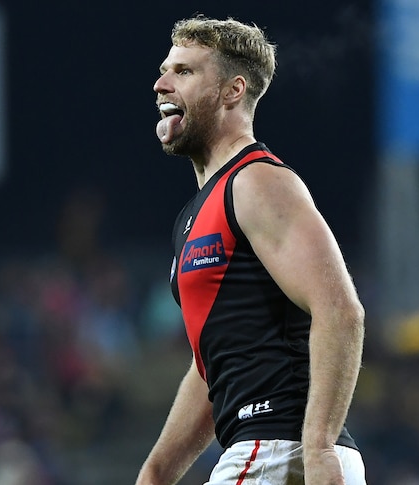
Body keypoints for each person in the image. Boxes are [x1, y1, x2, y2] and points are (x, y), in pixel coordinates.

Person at [136, 15, 367, 485]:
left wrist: (319, 446)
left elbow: (339, 309)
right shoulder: (197, 212)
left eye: (184, 71)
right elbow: (213, 368)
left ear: (232, 91)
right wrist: (158, 470)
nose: (161, 84)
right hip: (270, 451)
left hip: (281, 452)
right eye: (164, 70)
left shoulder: (258, 181)